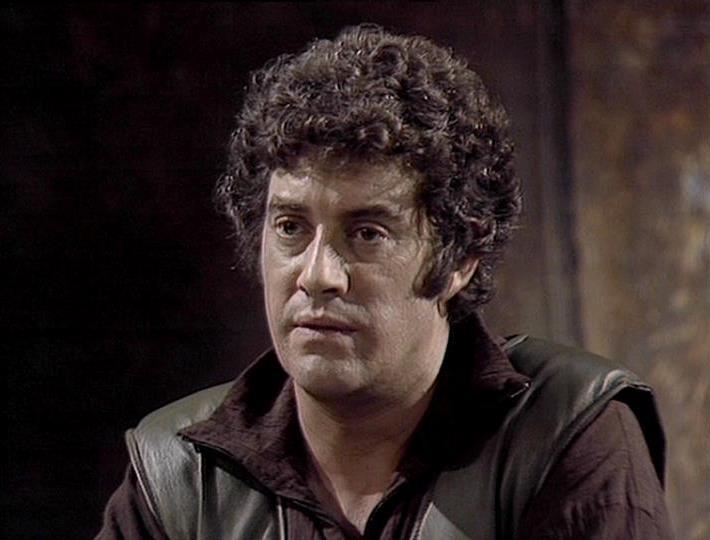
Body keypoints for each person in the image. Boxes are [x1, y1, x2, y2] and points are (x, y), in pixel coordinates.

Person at [97, 24, 671, 539]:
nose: (318, 275)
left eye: (367, 234)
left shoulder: (565, 435)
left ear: (460, 258)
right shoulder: (178, 473)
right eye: (291, 227)